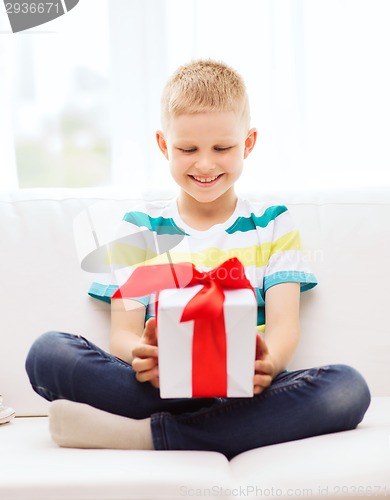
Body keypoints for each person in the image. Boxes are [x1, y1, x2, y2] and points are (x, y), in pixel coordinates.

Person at [25, 60, 370, 458]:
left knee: (348, 387)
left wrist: (269, 365)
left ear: (249, 143)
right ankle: (216, 427)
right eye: (187, 149)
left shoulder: (273, 224)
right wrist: (142, 356)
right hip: (162, 387)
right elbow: (123, 334)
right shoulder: (141, 228)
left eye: (222, 148)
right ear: (163, 145)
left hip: (247, 391)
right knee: (48, 352)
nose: (205, 164)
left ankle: (145, 435)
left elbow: (283, 326)